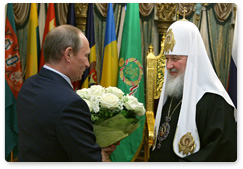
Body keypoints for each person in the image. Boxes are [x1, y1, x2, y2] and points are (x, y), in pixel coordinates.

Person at [16, 25, 116, 162]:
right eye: (86, 56)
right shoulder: (71, 103)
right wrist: (100, 156)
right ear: (68, 54)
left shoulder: (28, 85)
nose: (88, 64)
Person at [149, 20, 237, 162]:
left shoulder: (215, 101)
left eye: (175, 58)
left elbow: (223, 151)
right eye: (167, 59)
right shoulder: (173, 93)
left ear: (193, 60)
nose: (168, 65)